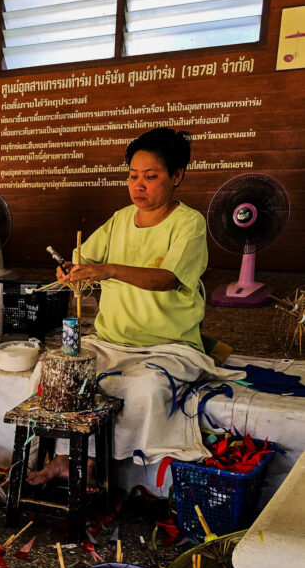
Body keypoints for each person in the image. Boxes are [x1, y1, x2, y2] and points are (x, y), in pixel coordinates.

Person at [29, 128, 242, 486]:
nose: (138, 185)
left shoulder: (188, 224)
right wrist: (71, 270)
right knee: (52, 374)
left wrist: (109, 269)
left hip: (167, 346)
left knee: (144, 388)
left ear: (177, 177)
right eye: (132, 176)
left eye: (151, 176)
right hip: (111, 341)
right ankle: (65, 457)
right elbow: (84, 259)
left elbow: (167, 279)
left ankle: (101, 465)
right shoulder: (118, 220)